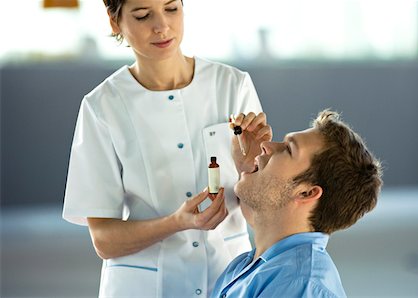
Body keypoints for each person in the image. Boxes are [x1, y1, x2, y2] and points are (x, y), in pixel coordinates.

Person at [62, 0, 272, 297]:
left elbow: (264, 213)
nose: (162, 26)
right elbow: (104, 241)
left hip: (228, 279)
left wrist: (248, 168)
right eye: (143, 15)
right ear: (114, 21)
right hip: (143, 286)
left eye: (171, 9)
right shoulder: (102, 107)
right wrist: (175, 223)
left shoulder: (232, 85)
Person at [213, 110, 383, 298]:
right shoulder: (252, 266)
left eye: (288, 150)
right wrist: (251, 168)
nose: (265, 145)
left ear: (306, 193)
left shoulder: (299, 286)